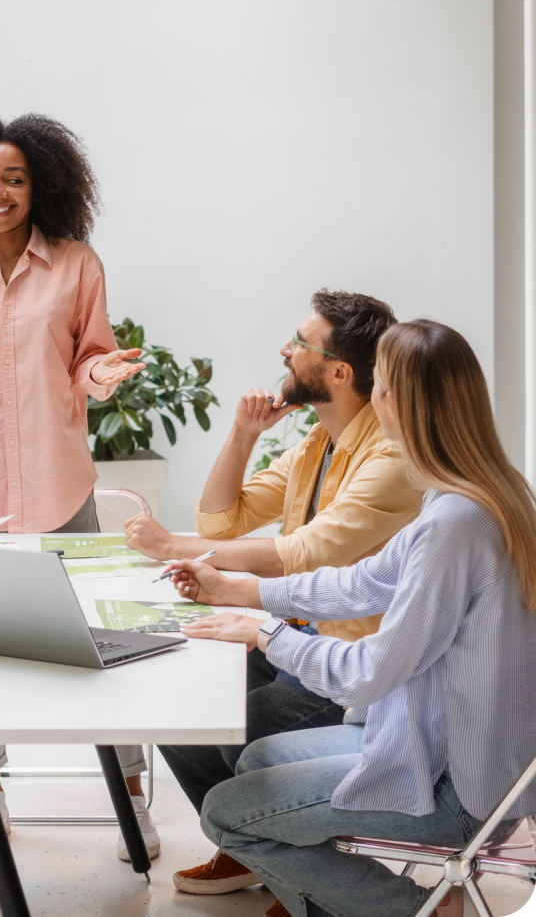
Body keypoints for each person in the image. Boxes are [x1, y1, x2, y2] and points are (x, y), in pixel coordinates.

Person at [162, 319, 536, 917]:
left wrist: (266, 632)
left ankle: (416, 908)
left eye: (380, 386)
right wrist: (241, 590)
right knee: (256, 760)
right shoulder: (480, 492)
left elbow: (370, 674)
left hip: (459, 788)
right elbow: (363, 581)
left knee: (227, 814)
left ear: (398, 403)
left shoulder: (455, 524)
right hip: (438, 744)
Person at [0, 110, 155, 861]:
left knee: (99, 640)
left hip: (57, 484)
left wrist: (102, 374)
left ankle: (132, 795)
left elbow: (89, 358)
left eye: (13, 177)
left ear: (39, 184)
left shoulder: (79, 264)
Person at [125, 290, 424, 895]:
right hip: (291, 629)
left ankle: (295, 867)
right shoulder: (318, 442)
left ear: (339, 371)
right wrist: (241, 433)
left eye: (300, 344)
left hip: (351, 663)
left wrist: (172, 549)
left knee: (250, 723)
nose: (285, 352)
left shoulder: (389, 456)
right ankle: (254, 852)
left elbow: (309, 552)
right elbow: (220, 520)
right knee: (177, 701)